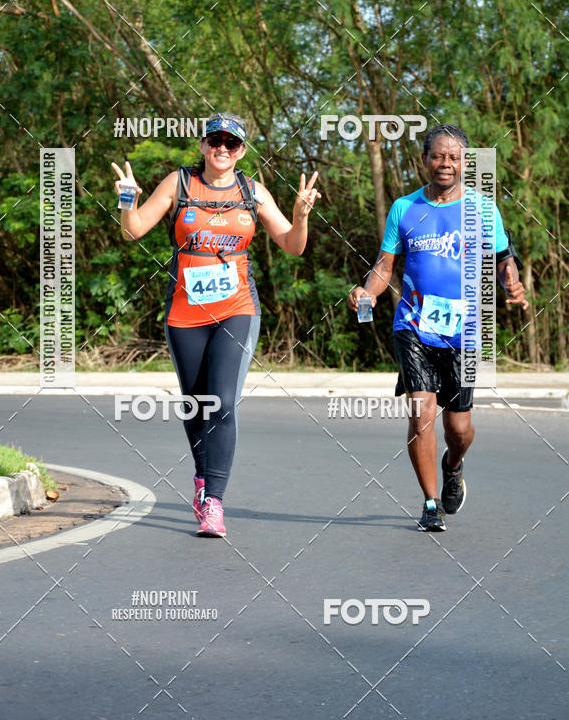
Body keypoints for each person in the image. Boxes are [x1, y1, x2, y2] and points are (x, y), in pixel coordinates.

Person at [112, 113, 320, 537]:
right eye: (215, 141)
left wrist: (300, 217)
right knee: (196, 404)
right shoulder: (179, 183)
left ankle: (214, 501)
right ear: (203, 145)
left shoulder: (252, 191)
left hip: (236, 308)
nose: (222, 148)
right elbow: (133, 231)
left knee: (223, 402)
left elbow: (293, 246)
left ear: (241, 151)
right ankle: (202, 477)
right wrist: (127, 202)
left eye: (232, 143)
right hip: (185, 311)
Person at [347, 124, 528, 532]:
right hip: (414, 325)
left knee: (459, 429)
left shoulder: (483, 209)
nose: (445, 163)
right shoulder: (404, 208)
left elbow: (504, 258)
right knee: (421, 411)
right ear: (425, 159)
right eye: (438, 156)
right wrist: (367, 291)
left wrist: (511, 282)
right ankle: (430, 503)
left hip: (466, 331)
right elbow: (385, 266)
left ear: (465, 162)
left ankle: (454, 465)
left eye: (454, 157)